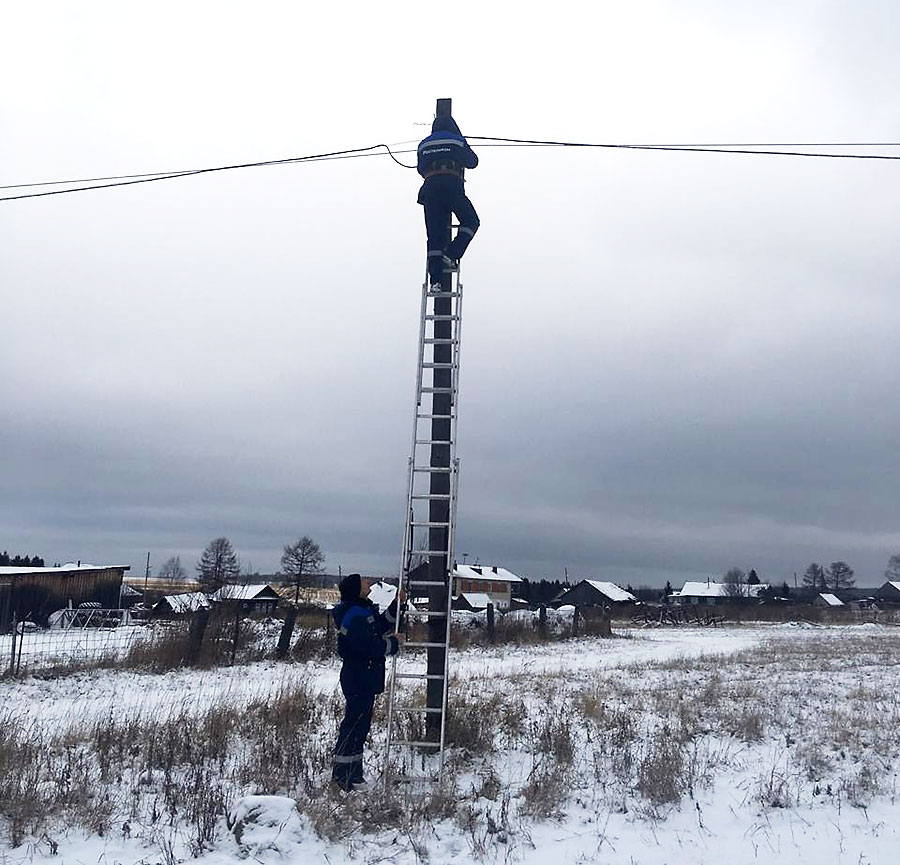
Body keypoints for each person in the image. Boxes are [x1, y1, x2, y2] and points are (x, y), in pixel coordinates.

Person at [330, 572, 403, 791]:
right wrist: (392, 644)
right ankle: (342, 777)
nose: (369, 582)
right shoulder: (353, 614)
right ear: (357, 589)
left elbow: (379, 626)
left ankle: (354, 774)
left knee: (360, 727)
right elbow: (366, 645)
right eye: (364, 581)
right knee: (353, 726)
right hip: (358, 676)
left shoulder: (362, 609)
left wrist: (397, 606)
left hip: (365, 677)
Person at [416, 115, 480, 289]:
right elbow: (473, 162)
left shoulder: (423, 144)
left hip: (430, 188)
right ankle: (451, 254)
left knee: (435, 235)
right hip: (451, 185)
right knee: (471, 221)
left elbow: (421, 168)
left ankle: (435, 280)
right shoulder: (457, 141)